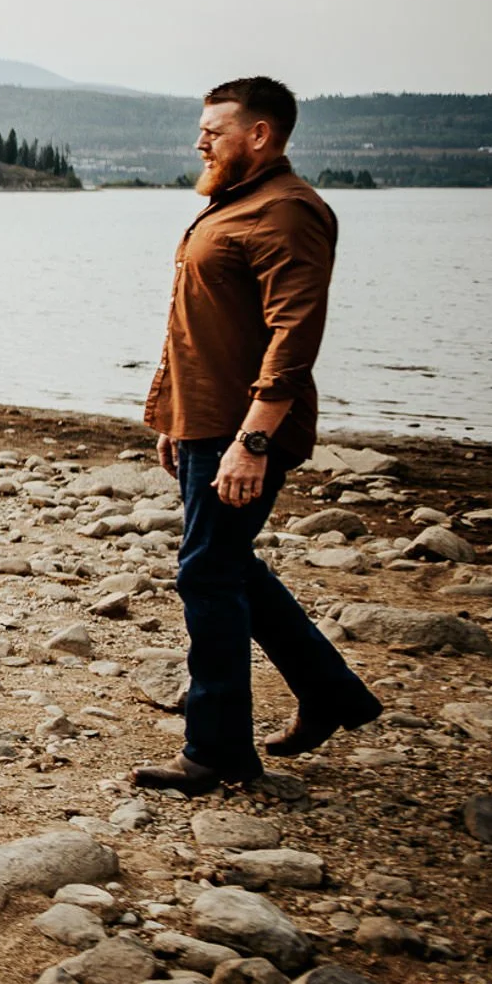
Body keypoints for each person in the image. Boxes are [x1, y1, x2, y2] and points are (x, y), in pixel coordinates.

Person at [131, 76, 381, 793]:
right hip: (206, 421)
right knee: (229, 565)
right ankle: (332, 693)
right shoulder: (234, 203)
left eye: (214, 129)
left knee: (207, 572)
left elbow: (294, 334)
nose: (199, 141)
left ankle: (216, 751)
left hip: (243, 429)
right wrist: (173, 412)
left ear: (261, 133)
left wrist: (254, 440)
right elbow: (197, 323)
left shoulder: (289, 211)